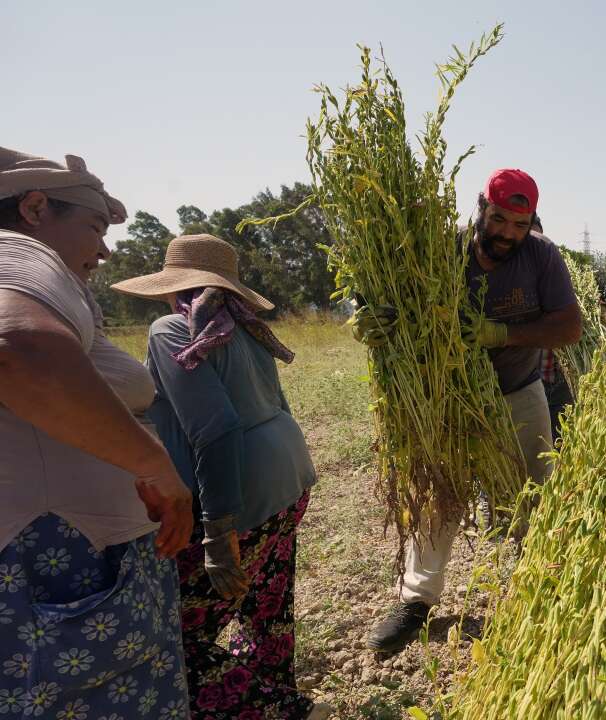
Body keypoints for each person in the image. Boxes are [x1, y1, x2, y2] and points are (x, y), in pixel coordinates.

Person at [0, 147, 194, 717]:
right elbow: (18, 350)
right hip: (59, 570)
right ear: (35, 209)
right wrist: (156, 465)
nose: (105, 249)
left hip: (69, 568)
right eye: (95, 227)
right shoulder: (21, 255)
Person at [355, 169, 581, 654]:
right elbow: (393, 305)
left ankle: (540, 586)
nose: (507, 234)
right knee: (441, 492)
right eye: (499, 219)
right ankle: (415, 602)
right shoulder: (442, 251)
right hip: (446, 397)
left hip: (518, 391)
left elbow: (568, 327)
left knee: (533, 491)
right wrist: (371, 321)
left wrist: (502, 334)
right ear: (481, 207)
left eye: (519, 225)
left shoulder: (542, 256)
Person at [111, 234, 327, 719]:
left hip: (240, 491)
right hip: (289, 475)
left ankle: (281, 711)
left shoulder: (172, 328)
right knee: (266, 606)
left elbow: (217, 430)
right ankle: (279, 697)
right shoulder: (244, 326)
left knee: (178, 637)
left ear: (173, 287)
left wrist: (216, 531)